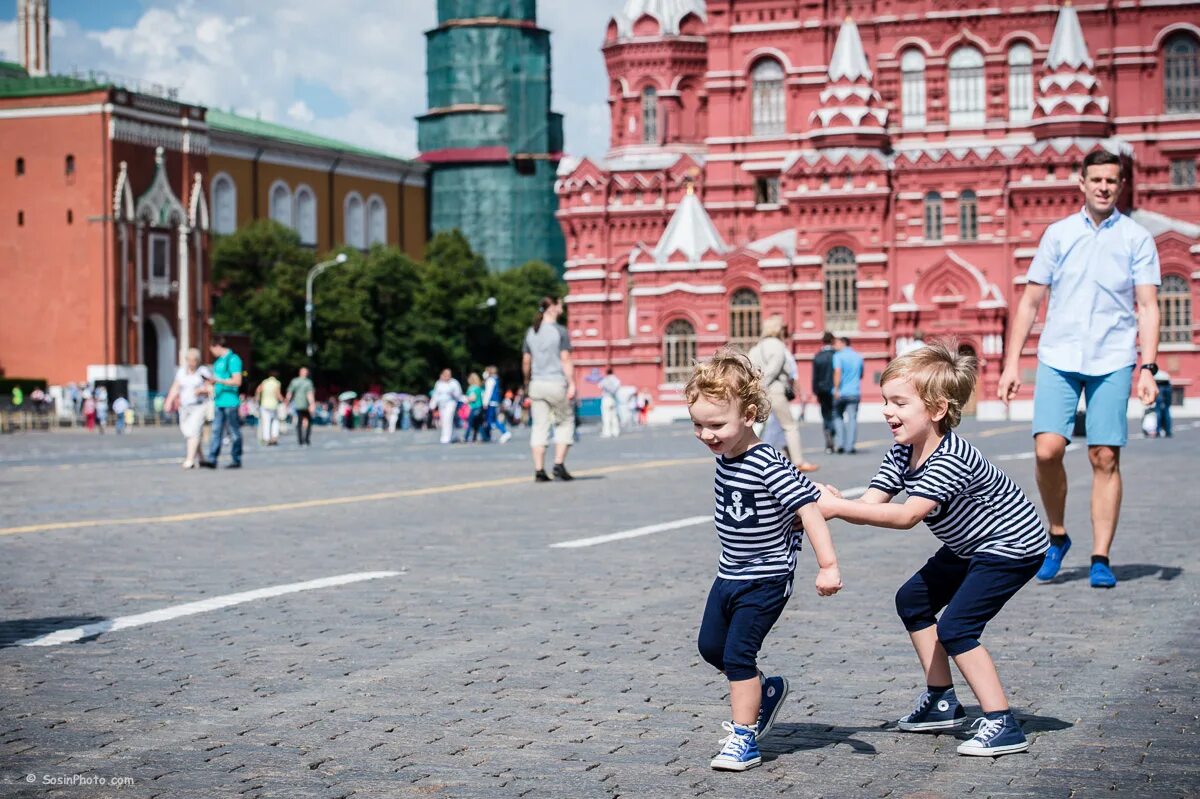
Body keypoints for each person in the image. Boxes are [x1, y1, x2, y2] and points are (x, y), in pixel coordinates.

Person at [817, 341, 1048, 757]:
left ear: (937, 410)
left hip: (1012, 546)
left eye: (899, 403)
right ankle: (941, 701)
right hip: (968, 545)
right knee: (913, 600)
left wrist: (835, 507)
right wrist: (828, 503)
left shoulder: (949, 458)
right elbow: (871, 504)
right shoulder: (902, 451)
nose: (887, 411)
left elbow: (907, 516)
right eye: (886, 400)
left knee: (957, 628)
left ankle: (1002, 723)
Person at [997, 149, 1161, 589]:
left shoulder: (1136, 239)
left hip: (1113, 358)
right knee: (1047, 450)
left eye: (1112, 180)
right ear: (1082, 184)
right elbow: (1030, 300)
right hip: (1058, 355)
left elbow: (1147, 306)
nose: (1105, 186)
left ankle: (1100, 556)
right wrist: (1011, 363)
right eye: (1097, 180)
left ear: (1120, 185)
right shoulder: (1058, 234)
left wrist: (1148, 367)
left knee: (1104, 455)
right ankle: (1057, 535)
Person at [686, 348, 842, 771]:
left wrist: (827, 564)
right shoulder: (726, 457)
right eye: (697, 424)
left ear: (751, 413)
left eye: (716, 425)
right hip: (729, 573)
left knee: (738, 655)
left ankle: (744, 738)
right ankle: (764, 690)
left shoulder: (766, 461)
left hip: (767, 578)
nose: (706, 434)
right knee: (710, 647)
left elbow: (808, 508)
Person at [748, 316, 818, 472]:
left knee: (759, 425)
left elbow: (751, 369)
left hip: (761, 391)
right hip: (775, 390)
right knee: (789, 426)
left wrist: (757, 388)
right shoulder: (777, 345)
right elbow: (775, 367)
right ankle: (798, 461)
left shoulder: (756, 348)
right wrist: (765, 384)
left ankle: (756, 458)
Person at [522, 297, 576, 482]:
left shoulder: (531, 332)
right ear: (552, 308)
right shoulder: (560, 331)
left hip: (537, 384)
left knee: (539, 426)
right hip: (556, 382)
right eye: (560, 304)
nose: (562, 307)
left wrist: (527, 382)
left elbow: (526, 361)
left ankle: (539, 469)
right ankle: (558, 464)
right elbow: (565, 359)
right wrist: (572, 383)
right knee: (565, 422)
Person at [201, 336, 244, 469]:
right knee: (216, 430)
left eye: (212, 349)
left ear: (217, 346)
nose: (212, 353)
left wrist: (218, 380)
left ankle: (236, 459)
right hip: (218, 401)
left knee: (233, 431)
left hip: (231, 401)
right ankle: (212, 459)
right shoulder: (218, 362)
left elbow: (237, 381)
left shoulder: (233, 359)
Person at [165, 348, 210, 468]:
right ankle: (201, 458)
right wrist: (169, 401)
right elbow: (176, 387)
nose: (191, 363)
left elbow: (211, 386)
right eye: (189, 360)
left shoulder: (203, 371)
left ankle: (189, 460)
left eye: (193, 360)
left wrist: (202, 390)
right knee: (187, 431)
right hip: (184, 406)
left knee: (193, 431)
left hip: (199, 405)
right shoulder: (181, 372)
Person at [832, 336, 864, 454]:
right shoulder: (858, 356)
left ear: (843, 343)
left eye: (836, 343)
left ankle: (840, 443)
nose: (834, 346)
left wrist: (836, 389)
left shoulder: (838, 356)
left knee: (837, 416)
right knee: (852, 419)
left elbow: (837, 372)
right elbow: (861, 374)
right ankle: (850, 446)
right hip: (854, 392)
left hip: (841, 392)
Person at [812, 332, 837, 454]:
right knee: (835, 413)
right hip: (834, 389)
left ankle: (828, 437)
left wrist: (815, 391)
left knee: (825, 414)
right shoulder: (837, 355)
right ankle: (833, 433)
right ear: (832, 341)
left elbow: (815, 377)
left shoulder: (818, 356)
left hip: (822, 390)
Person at [431, 369, 465, 445]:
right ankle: (454, 436)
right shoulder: (438, 383)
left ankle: (446, 437)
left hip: (451, 403)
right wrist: (432, 405)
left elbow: (459, 394)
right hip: (441, 404)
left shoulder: (454, 383)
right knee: (443, 420)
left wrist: (453, 393)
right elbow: (435, 395)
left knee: (448, 419)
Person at [285, 367, 316, 446]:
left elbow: (290, 392)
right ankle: (306, 439)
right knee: (308, 421)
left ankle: (300, 440)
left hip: (297, 404)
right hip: (305, 405)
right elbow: (309, 394)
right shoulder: (308, 382)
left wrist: (287, 401)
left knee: (299, 421)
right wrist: (312, 404)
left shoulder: (294, 381)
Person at [483, 365, 511, 443]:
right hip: (494, 402)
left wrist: (485, 403)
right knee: (490, 420)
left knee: (491, 420)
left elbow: (488, 392)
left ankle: (504, 432)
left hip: (490, 402)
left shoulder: (490, 380)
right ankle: (487, 436)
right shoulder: (496, 379)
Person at [255, 372, 283, 445]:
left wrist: (258, 399)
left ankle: (266, 438)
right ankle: (274, 437)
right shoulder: (277, 383)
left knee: (266, 422)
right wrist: (283, 400)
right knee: (275, 421)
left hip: (264, 404)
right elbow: (277, 394)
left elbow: (258, 390)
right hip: (273, 405)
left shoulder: (265, 382)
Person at [599, 367, 622, 439]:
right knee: (614, 416)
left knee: (606, 416)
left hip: (606, 398)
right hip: (613, 399)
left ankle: (607, 432)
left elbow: (599, 386)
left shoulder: (605, 380)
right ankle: (616, 431)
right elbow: (617, 387)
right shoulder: (616, 380)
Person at [464, 372, 486, 443]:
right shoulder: (478, 388)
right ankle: (483, 437)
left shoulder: (472, 388)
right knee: (478, 424)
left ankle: (466, 437)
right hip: (479, 407)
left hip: (474, 408)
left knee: (470, 424)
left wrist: (466, 400)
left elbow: (473, 398)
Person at [1154, 371, 1173, 439]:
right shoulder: (1165, 376)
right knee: (1167, 413)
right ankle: (1168, 431)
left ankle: (1158, 430)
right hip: (1167, 388)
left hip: (1160, 388)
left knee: (1158, 413)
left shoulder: (1157, 375)